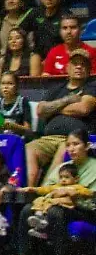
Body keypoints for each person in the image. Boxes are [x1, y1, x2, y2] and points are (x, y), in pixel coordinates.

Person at [25, 49, 96, 186]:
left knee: (64, 149)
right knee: (29, 148)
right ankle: (29, 190)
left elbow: (83, 109)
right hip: (48, 138)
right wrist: (67, 100)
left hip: (74, 139)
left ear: (88, 69)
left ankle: (46, 190)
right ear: (67, 68)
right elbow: (40, 110)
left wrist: (53, 109)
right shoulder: (57, 89)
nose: (79, 67)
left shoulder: (92, 86)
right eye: (75, 64)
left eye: (83, 64)